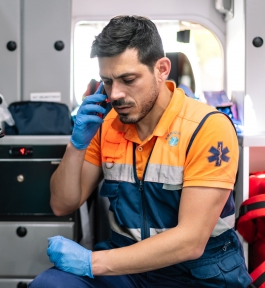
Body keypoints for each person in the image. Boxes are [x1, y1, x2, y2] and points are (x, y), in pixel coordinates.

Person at [29, 15, 251, 288]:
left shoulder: (207, 127)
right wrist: (76, 145)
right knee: (49, 285)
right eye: (107, 82)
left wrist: (91, 262)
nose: (115, 94)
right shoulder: (106, 124)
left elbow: (190, 242)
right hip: (128, 267)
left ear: (162, 69)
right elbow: (62, 204)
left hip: (198, 272)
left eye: (128, 79)